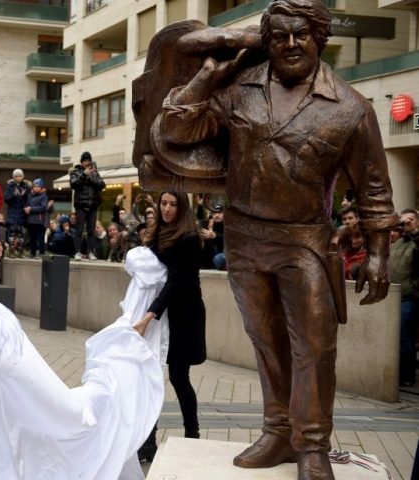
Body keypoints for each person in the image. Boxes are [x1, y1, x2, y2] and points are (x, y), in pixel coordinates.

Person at [159, 1, 396, 476]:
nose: (290, 44)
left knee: (315, 346)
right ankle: (277, 431)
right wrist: (209, 73)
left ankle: (311, 445)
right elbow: (176, 128)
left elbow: (374, 189)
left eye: (301, 35)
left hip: (305, 241)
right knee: (265, 341)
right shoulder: (240, 89)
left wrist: (377, 254)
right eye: (279, 36)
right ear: (265, 41)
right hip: (245, 238)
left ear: (319, 39)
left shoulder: (352, 108)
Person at [133, 190, 206, 461]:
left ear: (182, 207)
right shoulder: (157, 234)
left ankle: (192, 435)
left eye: (172, 204)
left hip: (184, 315)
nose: (166, 209)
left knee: (178, 376)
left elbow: (175, 281)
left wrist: (149, 315)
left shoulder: (188, 238)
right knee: (152, 375)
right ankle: (148, 443)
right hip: (162, 314)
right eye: (163, 203)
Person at [389, 209, 419, 387]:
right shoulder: (397, 244)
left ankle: (407, 376)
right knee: (396, 337)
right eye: (403, 220)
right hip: (393, 297)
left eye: (409, 220)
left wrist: (415, 231)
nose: (405, 223)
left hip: (409, 297)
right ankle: (397, 374)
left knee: (405, 336)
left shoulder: (416, 243)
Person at [69, 151, 105, 261]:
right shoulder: (76, 172)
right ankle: (77, 252)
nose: (87, 163)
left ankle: (91, 252)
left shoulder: (95, 172)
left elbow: (102, 185)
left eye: (89, 161)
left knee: (91, 231)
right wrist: (84, 174)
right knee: (79, 230)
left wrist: (91, 176)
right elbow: (74, 184)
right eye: (85, 161)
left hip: (93, 206)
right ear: (81, 162)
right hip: (81, 206)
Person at [4, 168, 30, 258]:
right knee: (12, 235)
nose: (18, 178)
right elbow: (6, 199)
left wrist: (24, 195)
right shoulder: (10, 186)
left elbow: (28, 201)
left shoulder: (26, 187)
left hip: (22, 215)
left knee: (21, 235)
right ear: (13, 177)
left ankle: (20, 252)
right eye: (16, 176)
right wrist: (13, 195)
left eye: (20, 176)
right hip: (12, 214)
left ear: (22, 177)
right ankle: (11, 251)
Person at [25, 178, 49, 259]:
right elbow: (26, 205)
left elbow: (43, 207)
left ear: (41, 187)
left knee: (40, 238)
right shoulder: (29, 196)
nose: (36, 188)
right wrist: (26, 209)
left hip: (39, 221)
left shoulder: (44, 196)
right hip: (31, 220)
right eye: (35, 186)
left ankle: (41, 252)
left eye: (38, 186)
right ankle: (32, 252)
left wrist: (31, 209)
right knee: (32, 238)